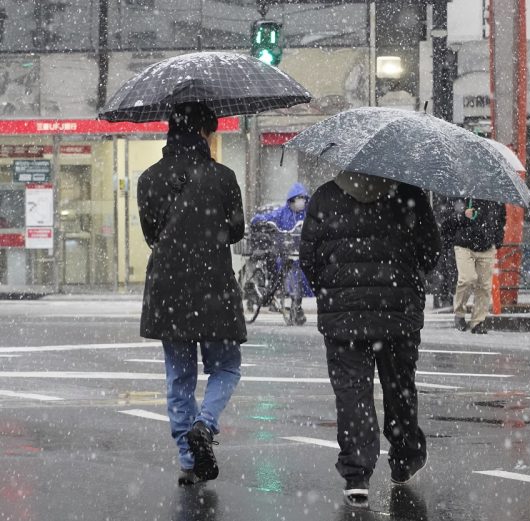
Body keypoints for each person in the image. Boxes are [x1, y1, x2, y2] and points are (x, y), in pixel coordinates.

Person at [299, 171, 441, 509]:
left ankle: (357, 474)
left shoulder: (326, 197)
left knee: (352, 391)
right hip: (399, 310)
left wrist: (333, 289)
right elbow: (431, 253)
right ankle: (404, 459)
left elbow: (309, 258)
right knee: (399, 387)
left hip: (343, 314)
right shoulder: (410, 194)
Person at [137, 102, 246, 486]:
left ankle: (188, 459)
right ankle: (206, 423)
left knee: (179, 378)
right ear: (203, 133)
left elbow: (151, 236)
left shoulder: (149, 178)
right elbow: (236, 231)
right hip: (214, 286)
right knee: (227, 366)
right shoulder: (223, 177)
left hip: (169, 290)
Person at [250, 183, 312, 324]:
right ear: (292, 200)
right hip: (281, 251)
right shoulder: (282, 213)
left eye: (303, 198)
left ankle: (296, 305)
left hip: (298, 253)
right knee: (279, 271)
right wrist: (260, 221)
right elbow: (262, 218)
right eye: (299, 198)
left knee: (299, 276)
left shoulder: (306, 215)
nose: (302, 201)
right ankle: (278, 295)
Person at [443, 197, 506, 334]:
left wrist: (497, 239)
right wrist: (463, 216)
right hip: (464, 245)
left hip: (487, 245)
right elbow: (446, 222)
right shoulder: (461, 194)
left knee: (484, 285)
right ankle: (459, 313)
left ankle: (478, 321)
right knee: (467, 279)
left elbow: (501, 219)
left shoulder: (496, 197)